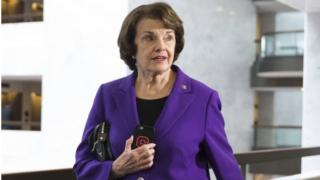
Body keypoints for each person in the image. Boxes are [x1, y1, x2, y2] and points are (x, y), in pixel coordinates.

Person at [73, 2, 243, 180]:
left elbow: (228, 172)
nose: (161, 46)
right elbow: (83, 164)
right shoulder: (108, 95)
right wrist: (115, 168)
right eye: (149, 38)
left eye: (168, 37)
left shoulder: (203, 99)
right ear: (132, 47)